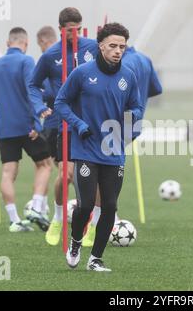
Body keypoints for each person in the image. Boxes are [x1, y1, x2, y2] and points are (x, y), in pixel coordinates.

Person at [56, 22, 143, 271]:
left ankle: (95, 259)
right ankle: (75, 242)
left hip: (114, 150)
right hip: (86, 147)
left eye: (122, 47)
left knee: (110, 206)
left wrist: (132, 116)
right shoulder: (82, 73)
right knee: (84, 206)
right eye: (113, 46)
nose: (118, 51)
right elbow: (61, 102)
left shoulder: (129, 76)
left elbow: (137, 106)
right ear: (101, 46)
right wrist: (79, 124)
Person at [29, 8, 98, 246]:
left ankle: (93, 225)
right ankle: (57, 219)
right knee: (66, 175)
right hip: (65, 123)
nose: (75, 34)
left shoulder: (93, 47)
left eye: (78, 29)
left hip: (92, 122)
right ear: (61, 29)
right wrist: (39, 107)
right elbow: (33, 85)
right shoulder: (51, 55)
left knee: (94, 178)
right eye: (71, 30)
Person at [81, 45, 163, 247]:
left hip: (115, 123)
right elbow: (157, 89)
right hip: (135, 123)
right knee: (108, 168)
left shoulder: (122, 64)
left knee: (102, 169)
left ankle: (104, 217)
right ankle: (107, 215)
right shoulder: (145, 59)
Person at [0, 27, 52, 232]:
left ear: (8, 43)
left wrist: (7, 114)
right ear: (25, 44)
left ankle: (14, 220)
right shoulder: (27, 61)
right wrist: (35, 122)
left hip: (5, 126)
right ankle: (35, 206)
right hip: (27, 125)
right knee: (45, 164)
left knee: (8, 172)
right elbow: (31, 90)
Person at [36, 26, 59, 217]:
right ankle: (41, 207)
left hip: (54, 125)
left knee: (46, 166)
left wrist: (42, 94)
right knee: (49, 166)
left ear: (44, 41)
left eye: (40, 45)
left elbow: (51, 92)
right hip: (54, 125)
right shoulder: (62, 56)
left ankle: (41, 208)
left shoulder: (50, 59)